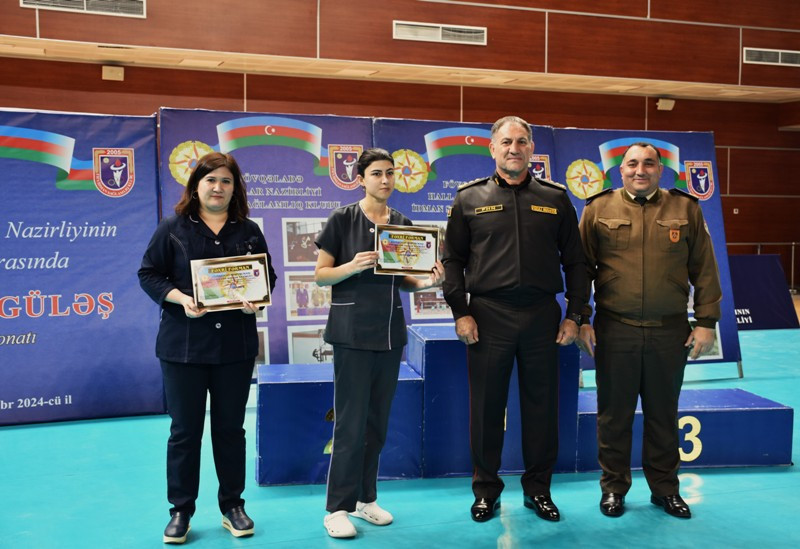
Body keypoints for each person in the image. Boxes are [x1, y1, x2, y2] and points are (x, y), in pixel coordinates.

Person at [442, 116, 587, 523]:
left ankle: (538, 490)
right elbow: (452, 260)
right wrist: (461, 311)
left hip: (542, 316)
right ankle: (486, 491)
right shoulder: (469, 198)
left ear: (531, 149)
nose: (514, 149)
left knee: (542, 409)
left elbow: (576, 262)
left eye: (522, 141)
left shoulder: (555, 198)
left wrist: (575, 315)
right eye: (506, 142)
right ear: (492, 148)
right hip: (488, 315)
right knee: (487, 408)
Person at [576, 142, 721, 519]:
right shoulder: (598, 209)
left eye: (649, 164)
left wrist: (706, 323)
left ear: (660, 169)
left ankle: (665, 489)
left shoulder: (685, 208)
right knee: (614, 416)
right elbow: (580, 269)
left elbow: (704, 268)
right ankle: (613, 488)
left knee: (663, 414)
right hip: (615, 330)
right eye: (632, 164)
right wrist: (581, 318)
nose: (640, 170)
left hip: (669, 332)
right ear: (620, 170)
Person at [138, 152, 277, 544]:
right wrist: (180, 298)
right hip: (183, 348)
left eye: (226, 181)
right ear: (196, 185)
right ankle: (181, 510)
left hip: (235, 347)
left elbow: (267, 277)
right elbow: (149, 274)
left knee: (231, 430)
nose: (218, 188)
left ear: (235, 188)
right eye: (211, 180)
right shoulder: (172, 228)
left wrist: (256, 301)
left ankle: (233, 506)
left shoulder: (249, 231)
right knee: (185, 432)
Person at [314, 148, 444, 539]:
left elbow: (403, 278)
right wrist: (351, 266)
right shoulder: (342, 219)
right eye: (376, 173)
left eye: (390, 173)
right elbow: (321, 275)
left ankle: (364, 499)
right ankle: (336, 508)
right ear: (361, 179)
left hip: (389, 336)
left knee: (376, 424)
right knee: (350, 425)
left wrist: (429, 282)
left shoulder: (402, 223)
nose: (385, 180)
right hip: (351, 334)